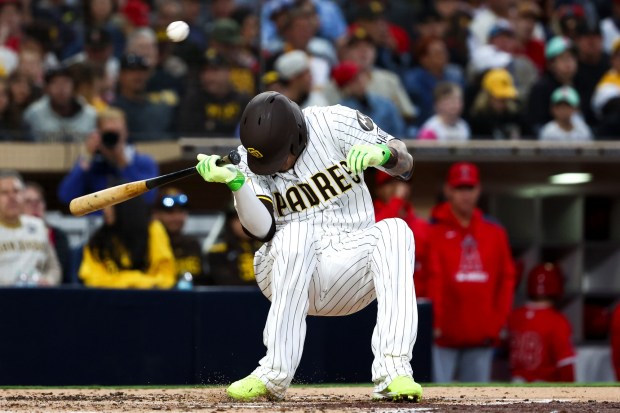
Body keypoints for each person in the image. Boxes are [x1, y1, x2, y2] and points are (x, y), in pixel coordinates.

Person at [195, 91, 422, 402]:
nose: (275, 168)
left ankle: (394, 371)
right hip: (288, 269)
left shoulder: (336, 121)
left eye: (279, 159)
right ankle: (272, 374)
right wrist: (237, 186)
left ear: (297, 136)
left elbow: (405, 162)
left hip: (351, 262)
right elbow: (262, 229)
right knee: (295, 234)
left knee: (396, 230)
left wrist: (384, 155)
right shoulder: (247, 158)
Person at [425, 162, 516, 383]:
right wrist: (431, 322)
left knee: (476, 401)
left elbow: (507, 279)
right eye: (459, 188)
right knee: (438, 400)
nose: (465, 195)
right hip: (442, 336)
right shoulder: (432, 231)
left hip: (481, 334)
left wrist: (498, 322)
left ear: (478, 190)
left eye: (469, 188)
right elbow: (427, 280)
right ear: (448, 191)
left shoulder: (494, 232)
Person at [57, 107, 159, 208]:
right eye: (108, 134)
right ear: (98, 135)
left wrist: (123, 163)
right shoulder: (91, 164)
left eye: (116, 133)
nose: (112, 138)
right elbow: (66, 197)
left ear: (126, 133)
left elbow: (148, 199)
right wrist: (87, 156)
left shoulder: (144, 162)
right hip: (96, 220)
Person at [79, 196, 176, 289]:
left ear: (127, 205)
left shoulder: (153, 230)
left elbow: (167, 277)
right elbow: (93, 280)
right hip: (110, 300)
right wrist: (136, 280)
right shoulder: (98, 240)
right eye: (105, 205)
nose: (105, 210)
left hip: (149, 299)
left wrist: (128, 281)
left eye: (111, 205)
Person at [507, 263, 576, 382]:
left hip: (515, 386)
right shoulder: (556, 320)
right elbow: (566, 364)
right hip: (544, 388)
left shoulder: (514, 316)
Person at [373, 170, 430, 297]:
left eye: (401, 181)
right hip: (379, 302)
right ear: (378, 189)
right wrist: (396, 201)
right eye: (389, 182)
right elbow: (378, 235)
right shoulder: (368, 218)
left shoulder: (422, 226)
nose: (397, 187)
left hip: (415, 302)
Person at [0, 170, 61, 286]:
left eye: (16, 191)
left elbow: (54, 268)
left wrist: (49, 280)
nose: (12, 197)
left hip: (37, 297)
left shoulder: (38, 226)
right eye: (4, 193)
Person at [22, 66, 97, 142]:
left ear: (74, 87)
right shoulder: (34, 114)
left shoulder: (90, 115)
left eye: (66, 82)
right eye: (55, 82)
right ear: (46, 88)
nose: (61, 88)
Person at [22, 181, 72, 284]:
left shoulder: (58, 235)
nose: (34, 206)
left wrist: (48, 280)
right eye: (28, 201)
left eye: (38, 201)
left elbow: (58, 269)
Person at [152, 188, 204, 285]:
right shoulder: (149, 246)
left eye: (181, 211)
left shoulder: (193, 245)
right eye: (169, 212)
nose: (176, 217)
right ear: (156, 214)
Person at [204, 206, 264, 286]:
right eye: (239, 218)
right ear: (230, 222)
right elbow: (226, 283)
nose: (245, 222)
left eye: (250, 217)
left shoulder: (268, 248)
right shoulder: (218, 251)